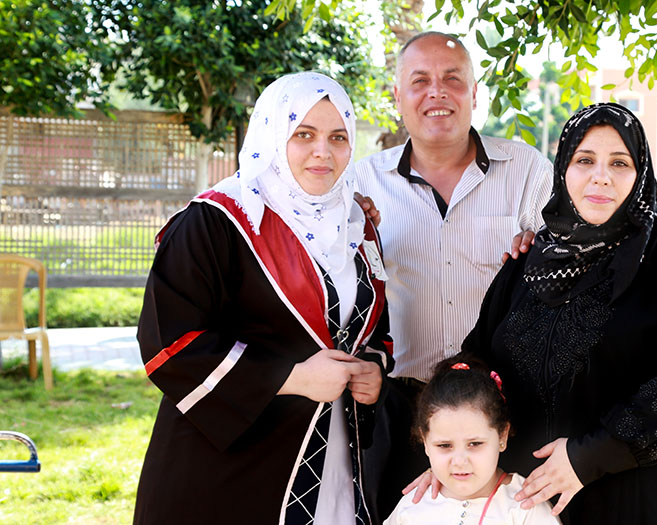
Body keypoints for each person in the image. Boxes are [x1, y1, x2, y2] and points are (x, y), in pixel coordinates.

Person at [453, 103, 657, 523]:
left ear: (641, 175)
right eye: (584, 160)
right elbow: (477, 364)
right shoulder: (528, 264)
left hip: (649, 505)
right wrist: (450, 449)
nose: (600, 176)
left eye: (619, 163)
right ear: (563, 171)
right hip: (536, 510)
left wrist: (588, 456)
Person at [133, 73, 393, 524]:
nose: (323, 151)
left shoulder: (356, 223)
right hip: (228, 473)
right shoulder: (215, 221)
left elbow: (374, 328)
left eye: (338, 137)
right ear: (272, 135)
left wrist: (373, 369)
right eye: (303, 134)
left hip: (335, 463)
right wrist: (291, 378)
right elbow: (169, 344)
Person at [349, 31, 553, 519]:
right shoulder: (361, 183)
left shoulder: (527, 172)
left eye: (453, 79)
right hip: (401, 410)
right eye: (419, 80)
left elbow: (565, 275)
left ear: (475, 93)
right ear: (396, 95)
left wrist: (539, 253)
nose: (436, 92)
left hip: (498, 414)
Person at [385, 356, 562, 525]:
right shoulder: (412, 507)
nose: (460, 461)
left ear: (502, 435)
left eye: (475, 444)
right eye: (444, 445)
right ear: (425, 442)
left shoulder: (525, 506)